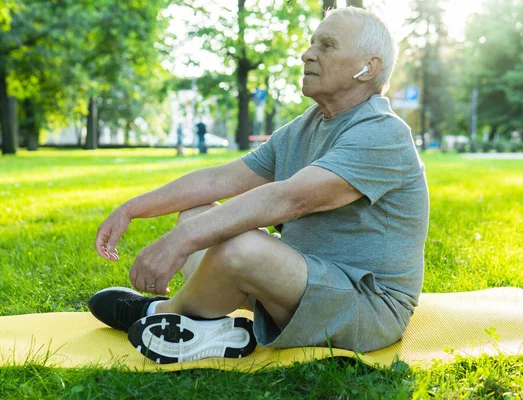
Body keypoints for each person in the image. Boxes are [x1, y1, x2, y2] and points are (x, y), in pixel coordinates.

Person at [88, 7, 429, 364]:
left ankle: (159, 312)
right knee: (198, 214)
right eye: (311, 43)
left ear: (368, 68)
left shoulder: (383, 133)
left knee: (238, 245)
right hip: (302, 280)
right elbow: (218, 180)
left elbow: (291, 199)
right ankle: (208, 328)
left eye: (326, 46)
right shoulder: (307, 125)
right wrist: (131, 209)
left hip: (366, 309)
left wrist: (180, 242)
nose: (307, 53)